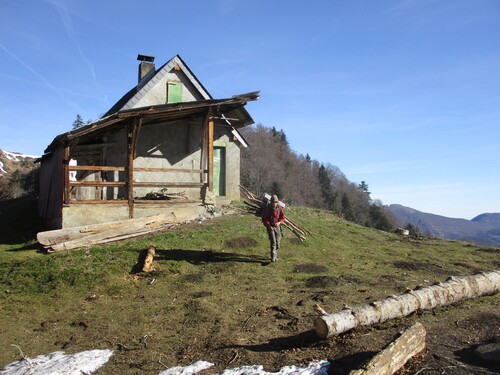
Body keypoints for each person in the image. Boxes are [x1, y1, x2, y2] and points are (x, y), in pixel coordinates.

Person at [262, 194, 285, 262]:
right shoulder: (268, 209)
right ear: (271, 202)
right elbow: (265, 219)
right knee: (273, 242)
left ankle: (275, 254)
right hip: (270, 227)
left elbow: (282, 217)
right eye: (273, 202)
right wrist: (269, 226)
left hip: (277, 227)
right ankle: (273, 257)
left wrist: (279, 222)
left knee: (278, 244)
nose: (274, 204)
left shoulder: (279, 208)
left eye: (275, 202)